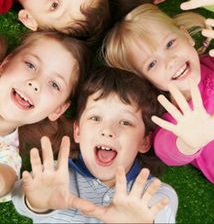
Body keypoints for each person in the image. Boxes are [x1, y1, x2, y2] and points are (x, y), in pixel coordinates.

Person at [102, 4, 214, 201]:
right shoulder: (172, 123)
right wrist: (189, 142)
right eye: (152, 64)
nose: (170, 61)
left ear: (186, 36)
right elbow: (168, 152)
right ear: (146, 81)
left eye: (170, 44)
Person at [12, 67, 178, 223]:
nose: (107, 130)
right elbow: (21, 195)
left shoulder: (156, 193)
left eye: (125, 122)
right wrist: (36, 203)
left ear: (144, 141)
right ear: (77, 131)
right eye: (95, 118)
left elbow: (164, 212)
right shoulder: (54, 175)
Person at [0, 31, 89, 202]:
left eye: (54, 84)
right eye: (31, 65)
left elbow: (5, 181)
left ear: (58, 110)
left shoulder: (7, 155)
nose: (35, 83)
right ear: (5, 64)